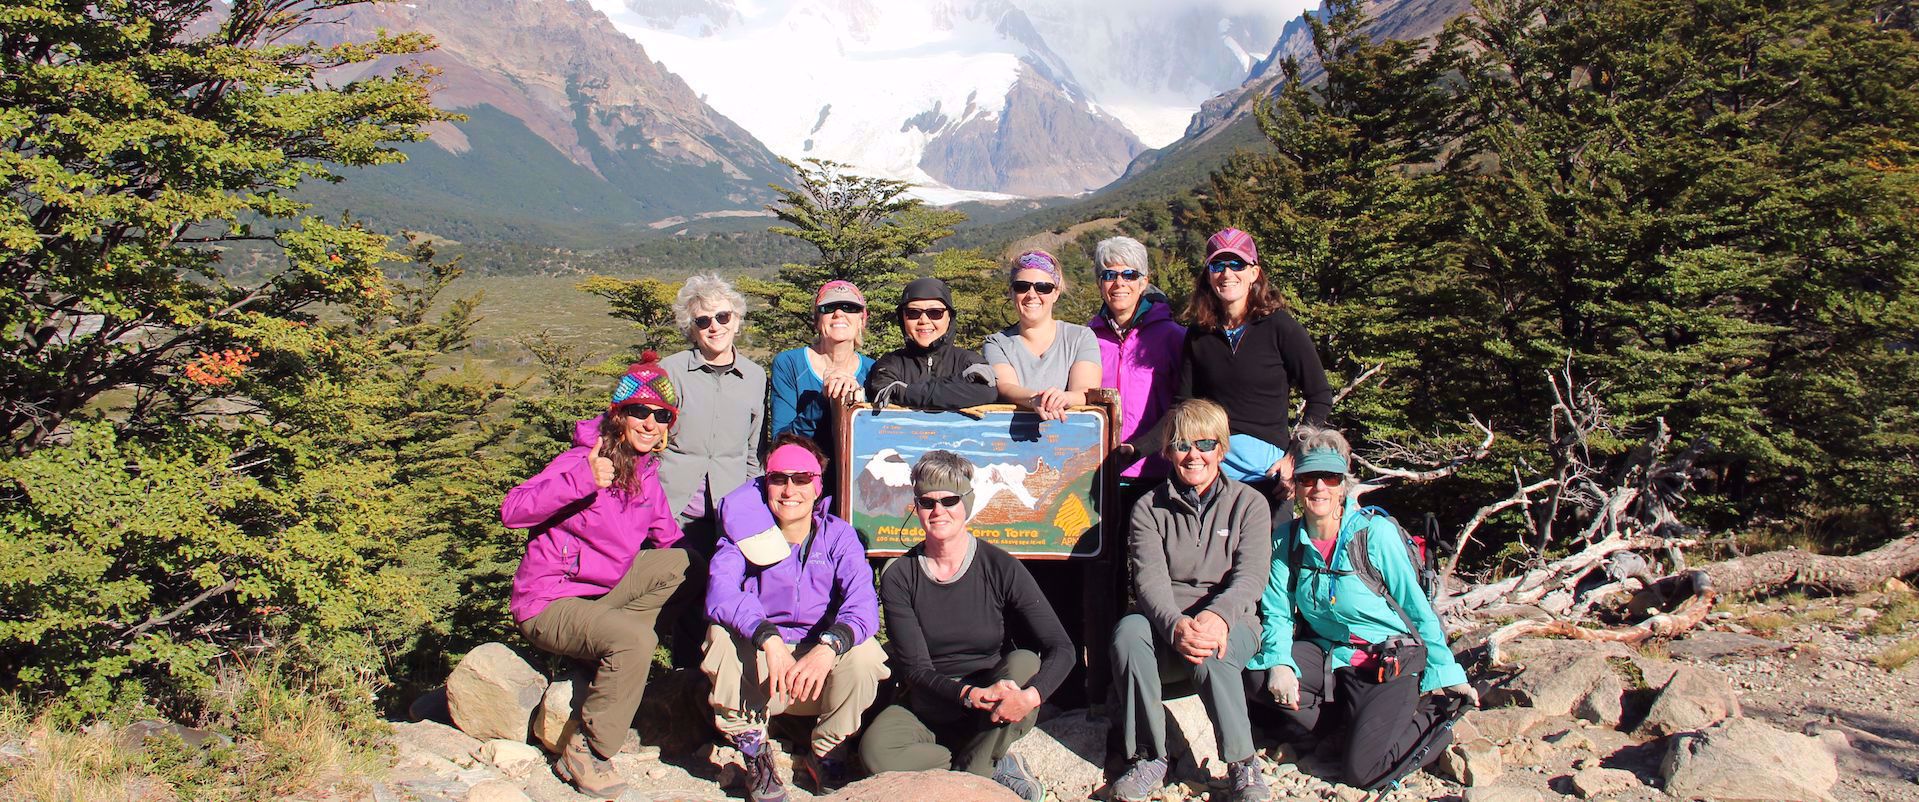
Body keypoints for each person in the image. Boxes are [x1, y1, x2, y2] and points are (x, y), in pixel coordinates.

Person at [502, 356, 700, 798]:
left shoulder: (646, 473)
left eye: (662, 415)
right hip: (548, 602)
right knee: (636, 640)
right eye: (640, 411)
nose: (650, 423)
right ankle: (588, 746)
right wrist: (581, 481)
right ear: (618, 414)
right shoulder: (582, 459)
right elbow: (512, 511)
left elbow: (669, 541)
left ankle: (606, 660)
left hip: (598, 598)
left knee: (689, 566)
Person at [1247, 425, 1476, 791]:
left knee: (1362, 772)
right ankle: (1349, 727)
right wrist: (1279, 662)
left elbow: (1417, 610)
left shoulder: (1373, 535)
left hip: (1387, 660)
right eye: (1308, 477)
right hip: (1331, 657)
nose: (1319, 487)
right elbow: (1277, 612)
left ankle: (1433, 715)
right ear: (1297, 484)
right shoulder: (1285, 540)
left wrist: (1445, 672)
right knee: (1256, 675)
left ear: (1343, 484)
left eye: (1330, 477)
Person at [859, 450, 1073, 802]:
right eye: (927, 502)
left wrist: (1031, 697)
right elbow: (914, 669)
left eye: (949, 500)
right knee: (876, 752)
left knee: (1026, 664)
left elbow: (1061, 648)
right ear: (916, 506)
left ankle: (974, 767)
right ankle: (985, 761)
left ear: (966, 504)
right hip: (930, 706)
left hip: (994, 704)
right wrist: (967, 696)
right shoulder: (900, 575)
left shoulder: (1000, 566)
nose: (938, 510)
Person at [701, 434, 888, 800]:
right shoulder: (743, 535)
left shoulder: (839, 537)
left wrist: (829, 647)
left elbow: (863, 603)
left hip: (816, 677)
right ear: (765, 483)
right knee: (719, 637)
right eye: (779, 478)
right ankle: (755, 751)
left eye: (802, 479)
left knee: (866, 654)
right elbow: (721, 593)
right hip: (764, 676)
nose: (790, 490)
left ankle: (827, 750)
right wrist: (768, 638)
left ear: (817, 486)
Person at [1110, 399, 1273, 802]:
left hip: (1232, 622)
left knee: (1211, 650)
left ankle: (1242, 763)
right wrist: (1175, 625)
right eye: (1182, 445)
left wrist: (1216, 617)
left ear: (1221, 448)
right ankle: (1149, 756)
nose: (1193, 455)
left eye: (1204, 443)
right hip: (1167, 625)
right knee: (1129, 633)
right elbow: (1149, 581)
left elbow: (1251, 576)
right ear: (1168, 451)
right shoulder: (1148, 508)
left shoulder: (1249, 504)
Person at [1146, 228, 1333, 518]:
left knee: (1265, 562)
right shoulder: (1198, 334)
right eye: (1218, 265)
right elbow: (1181, 407)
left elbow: (1320, 395)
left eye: (1237, 265)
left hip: (1269, 480)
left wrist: (1295, 457)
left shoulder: (1280, 327)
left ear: (1254, 273)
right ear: (1208, 275)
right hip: (1212, 478)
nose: (1227, 273)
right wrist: (1135, 449)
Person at [660, 273, 766, 546]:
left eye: (723, 317)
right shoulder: (670, 371)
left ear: (737, 319)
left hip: (730, 516)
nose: (714, 327)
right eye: (703, 321)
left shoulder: (755, 377)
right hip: (671, 513)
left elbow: (753, 451)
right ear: (691, 329)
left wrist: (751, 507)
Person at [1088, 236, 1185, 487]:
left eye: (1129, 274)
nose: (1119, 283)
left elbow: (1185, 404)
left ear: (1144, 282)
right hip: (1098, 470)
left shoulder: (1174, 337)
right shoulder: (1085, 338)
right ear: (1099, 283)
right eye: (1109, 275)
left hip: (1158, 470)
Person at [983, 250, 1102, 422]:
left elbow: (1085, 391)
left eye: (1043, 288)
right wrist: (1034, 399)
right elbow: (1006, 386)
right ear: (1011, 292)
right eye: (1022, 286)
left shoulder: (1081, 337)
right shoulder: (996, 343)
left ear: (1056, 293)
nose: (1032, 295)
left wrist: (1063, 399)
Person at [767, 281, 874, 456]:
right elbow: (780, 443)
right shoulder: (790, 364)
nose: (839, 313)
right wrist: (821, 401)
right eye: (829, 308)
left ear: (862, 320)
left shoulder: (874, 371)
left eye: (849, 308)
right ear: (817, 321)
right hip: (803, 479)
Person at [864, 277, 998, 410]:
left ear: (949, 317)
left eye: (935, 313)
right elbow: (883, 392)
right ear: (902, 318)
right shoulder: (889, 363)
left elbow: (986, 393)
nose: (924, 320)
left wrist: (905, 392)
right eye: (913, 313)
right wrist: (961, 380)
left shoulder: (968, 360)